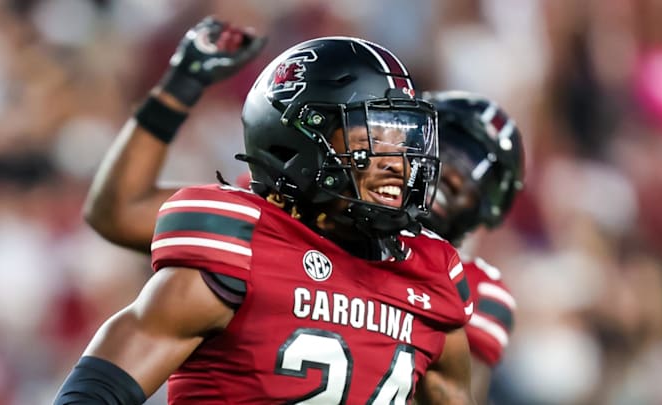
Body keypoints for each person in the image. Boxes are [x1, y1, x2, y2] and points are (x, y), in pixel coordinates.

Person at [56, 17, 476, 404]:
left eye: (406, 138)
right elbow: (98, 390)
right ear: (299, 140)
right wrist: (177, 90)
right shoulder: (241, 245)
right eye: (374, 137)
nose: (397, 162)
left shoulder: (431, 276)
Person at [418, 90, 524, 403]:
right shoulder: (338, 223)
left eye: (476, 180)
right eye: (449, 151)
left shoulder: (476, 290)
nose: (454, 177)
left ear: (486, 210)